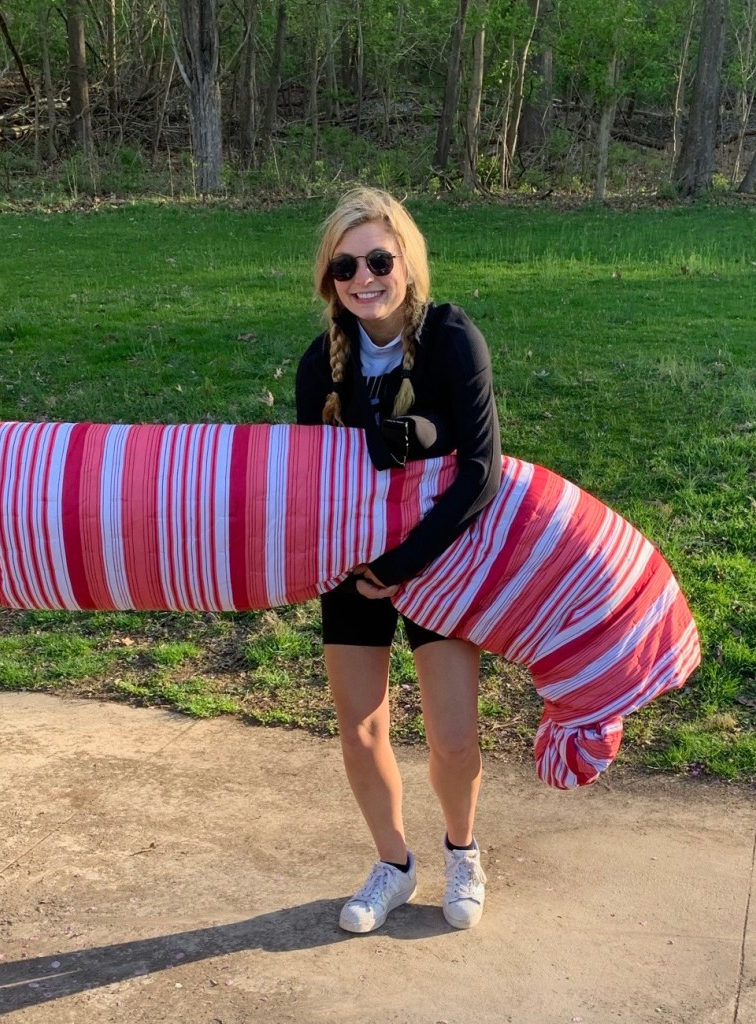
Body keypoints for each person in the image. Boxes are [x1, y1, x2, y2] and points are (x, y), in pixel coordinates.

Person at [295, 187, 502, 933]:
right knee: (360, 730)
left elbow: (481, 471)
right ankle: (394, 865)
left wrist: (404, 563)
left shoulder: (453, 338)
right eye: (345, 266)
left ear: (407, 263)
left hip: (438, 555)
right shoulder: (320, 365)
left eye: (379, 260)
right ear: (330, 280)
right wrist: (350, 566)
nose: (364, 278)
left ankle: (463, 853)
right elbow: (312, 482)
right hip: (354, 567)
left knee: (454, 735)